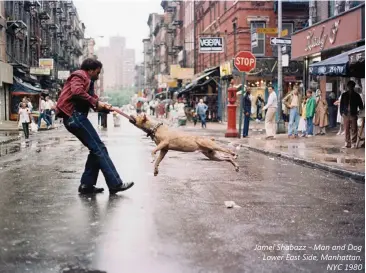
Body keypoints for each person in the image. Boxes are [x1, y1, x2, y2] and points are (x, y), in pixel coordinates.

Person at [56, 58, 134, 194]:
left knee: (96, 149)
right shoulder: (79, 75)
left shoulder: (88, 81)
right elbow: (77, 92)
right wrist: (96, 102)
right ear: (90, 70)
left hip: (75, 117)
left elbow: (91, 99)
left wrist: (104, 107)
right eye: (97, 73)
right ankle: (115, 183)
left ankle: (86, 185)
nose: (98, 76)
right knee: (99, 148)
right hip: (74, 116)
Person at [340, 80, 364, 148]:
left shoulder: (357, 95)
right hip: (346, 114)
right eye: (349, 86)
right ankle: (347, 143)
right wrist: (341, 112)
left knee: (354, 129)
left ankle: (353, 142)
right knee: (346, 129)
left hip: (353, 114)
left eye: (351, 86)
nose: (350, 87)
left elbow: (361, 105)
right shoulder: (344, 95)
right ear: (347, 86)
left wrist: (359, 112)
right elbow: (341, 104)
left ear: (353, 87)